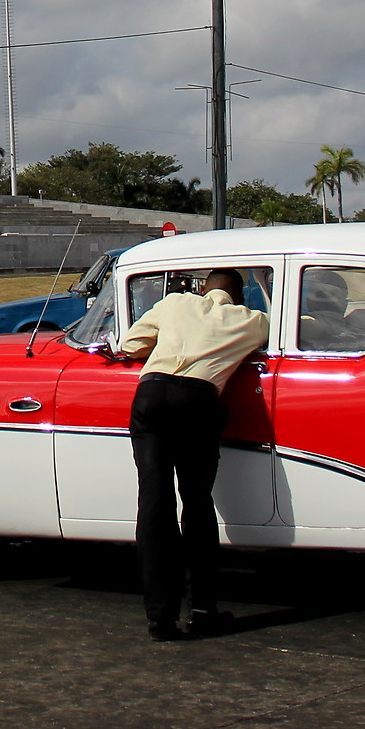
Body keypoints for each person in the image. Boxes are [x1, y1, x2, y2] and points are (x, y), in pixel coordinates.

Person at [114, 266, 268, 641]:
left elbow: (130, 344)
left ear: (203, 289)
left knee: (154, 502)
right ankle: (202, 607)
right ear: (240, 294)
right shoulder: (252, 320)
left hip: (151, 395)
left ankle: (159, 617)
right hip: (199, 400)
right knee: (197, 504)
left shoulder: (175, 303)